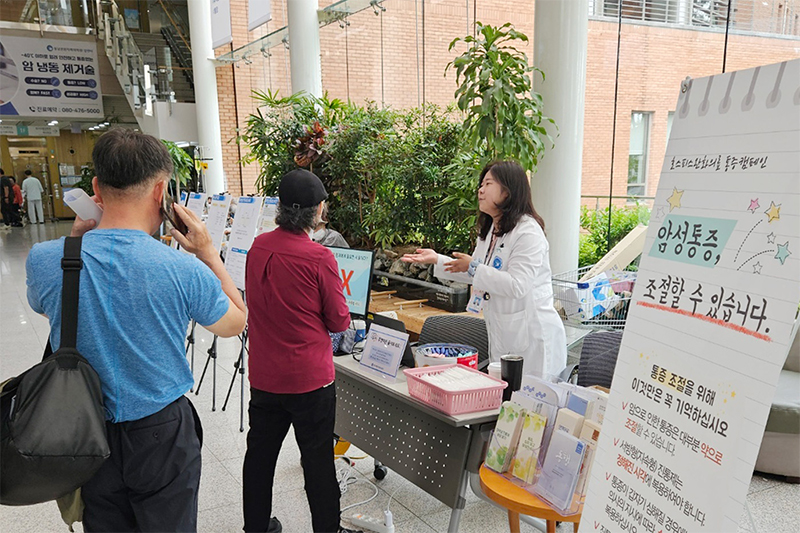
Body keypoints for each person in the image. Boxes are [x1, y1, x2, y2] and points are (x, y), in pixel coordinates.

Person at [26, 129, 247, 532]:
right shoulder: (182, 269)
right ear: (161, 190)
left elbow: (50, 309)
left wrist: (76, 239)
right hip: (161, 432)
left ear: (95, 187)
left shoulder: (45, 259)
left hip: (84, 432)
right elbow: (236, 320)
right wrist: (208, 252)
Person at [243, 169, 360, 533]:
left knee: (260, 457)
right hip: (310, 381)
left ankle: (256, 527)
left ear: (280, 208)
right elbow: (340, 322)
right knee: (317, 461)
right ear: (318, 210)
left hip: (265, 377)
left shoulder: (257, 247)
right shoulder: (319, 257)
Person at [402, 160, 567, 378]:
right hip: (505, 331)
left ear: (507, 191)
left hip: (534, 337)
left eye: (488, 184)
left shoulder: (528, 233)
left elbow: (518, 285)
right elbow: (476, 272)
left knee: (531, 406)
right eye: (481, 184)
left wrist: (474, 267)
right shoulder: (492, 229)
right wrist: (437, 260)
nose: (480, 189)